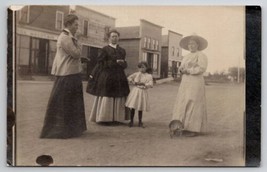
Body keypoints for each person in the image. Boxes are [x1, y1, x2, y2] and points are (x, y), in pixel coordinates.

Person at [40, 14, 86, 139]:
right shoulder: (65, 38)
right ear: (69, 24)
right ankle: (62, 131)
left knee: (70, 103)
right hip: (67, 74)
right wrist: (79, 40)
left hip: (71, 73)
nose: (77, 27)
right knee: (65, 103)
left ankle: (72, 130)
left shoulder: (69, 37)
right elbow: (76, 54)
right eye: (76, 25)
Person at [87, 29, 130, 124]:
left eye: (116, 36)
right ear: (109, 38)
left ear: (119, 38)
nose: (115, 38)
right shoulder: (104, 49)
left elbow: (125, 64)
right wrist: (114, 62)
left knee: (119, 94)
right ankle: (105, 118)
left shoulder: (122, 50)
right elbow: (101, 63)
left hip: (119, 76)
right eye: (113, 36)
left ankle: (117, 118)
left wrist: (123, 63)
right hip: (107, 76)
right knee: (107, 94)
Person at [171, 35, 208, 137]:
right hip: (186, 81)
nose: (191, 46)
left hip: (195, 80)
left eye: (193, 44)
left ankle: (192, 128)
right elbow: (182, 67)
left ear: (197, 45)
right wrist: (181, 69)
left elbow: (202, 68)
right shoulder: (186, 56)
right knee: (183, 100)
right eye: (189, 44)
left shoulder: (201, 55)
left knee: (193, 100)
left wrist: (189, 70)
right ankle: (181, 125)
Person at [125, 62, 153, 128]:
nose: (141, 69)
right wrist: (133, 82)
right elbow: (129, 78)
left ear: (146, 68)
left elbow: (151, 84)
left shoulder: (149, 76)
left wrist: (144, 84)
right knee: (133, 106)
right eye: (140, 67)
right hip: (136, 91)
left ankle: (140, 121)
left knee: (140, 107)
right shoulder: (136, 74)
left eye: (143, 67)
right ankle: (131, 121)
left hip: (143, 92)